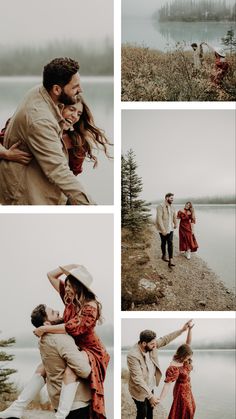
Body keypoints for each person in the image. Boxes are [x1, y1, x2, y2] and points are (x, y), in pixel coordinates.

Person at [0, 57, 93, 205]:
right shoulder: (40, 120)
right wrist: (90, 207)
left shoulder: (41, 91)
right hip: (27, 197)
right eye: (75, 86)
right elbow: (58, 170)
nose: (80, 90)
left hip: (45, 191)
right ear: (57, 89)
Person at [34, 264, 110, 419]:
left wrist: (45, 329)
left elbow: (73, 328)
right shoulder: (70, 300)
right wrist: (69, 268)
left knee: (69, 372)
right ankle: (17, 406)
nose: (66, 288)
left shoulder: (90, 307)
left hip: (92, 350)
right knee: (42, 367)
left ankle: (61, 416)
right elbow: (50, 275)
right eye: (66, 285)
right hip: (77, 348)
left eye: (70, 285)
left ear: (78, 286)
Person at [0, 304, 92, 419]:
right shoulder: (62, 339)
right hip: (76, 404)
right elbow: (85, 371)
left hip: (58, 402)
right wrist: (85, 354)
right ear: (47, 324)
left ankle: (17, 407)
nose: (58, 311)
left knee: (41, 367)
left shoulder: (43, 340)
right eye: (53, 313)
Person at [127, 321, 192, 419]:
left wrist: (182, 330)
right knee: (142, 412)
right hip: (139, 389)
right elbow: (137, 379)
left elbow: (166, 339)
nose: (155, 346)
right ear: (144, 343)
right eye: (152, 344)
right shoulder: (132, 356)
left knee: (150, 411)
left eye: (155, 343)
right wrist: (150, 397)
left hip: (150, 385)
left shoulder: (152, 345)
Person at [159, 322, 195, 419]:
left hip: (188, 389)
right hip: (181, 391)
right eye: (187, 357)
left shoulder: (184, 358)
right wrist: (160, 399)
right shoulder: (174, 366)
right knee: (185, 411)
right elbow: (167, 384)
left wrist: (190, 330)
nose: (188, 360)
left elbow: (188, 343)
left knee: (191, 409)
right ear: (182, 355)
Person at [155, 193, 177, 268]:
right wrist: (163, 229)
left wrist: (175, 223)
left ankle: (171, 259)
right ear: (166, 198)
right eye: (171, 198)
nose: (172, 200)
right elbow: (159, 218)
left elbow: (174, 216)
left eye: (173, 198)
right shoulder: (160, 206)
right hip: (163, 229)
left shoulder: (173, 207)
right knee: (163, 242)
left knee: (170, 243)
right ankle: (164, 255)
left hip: (170, 228)